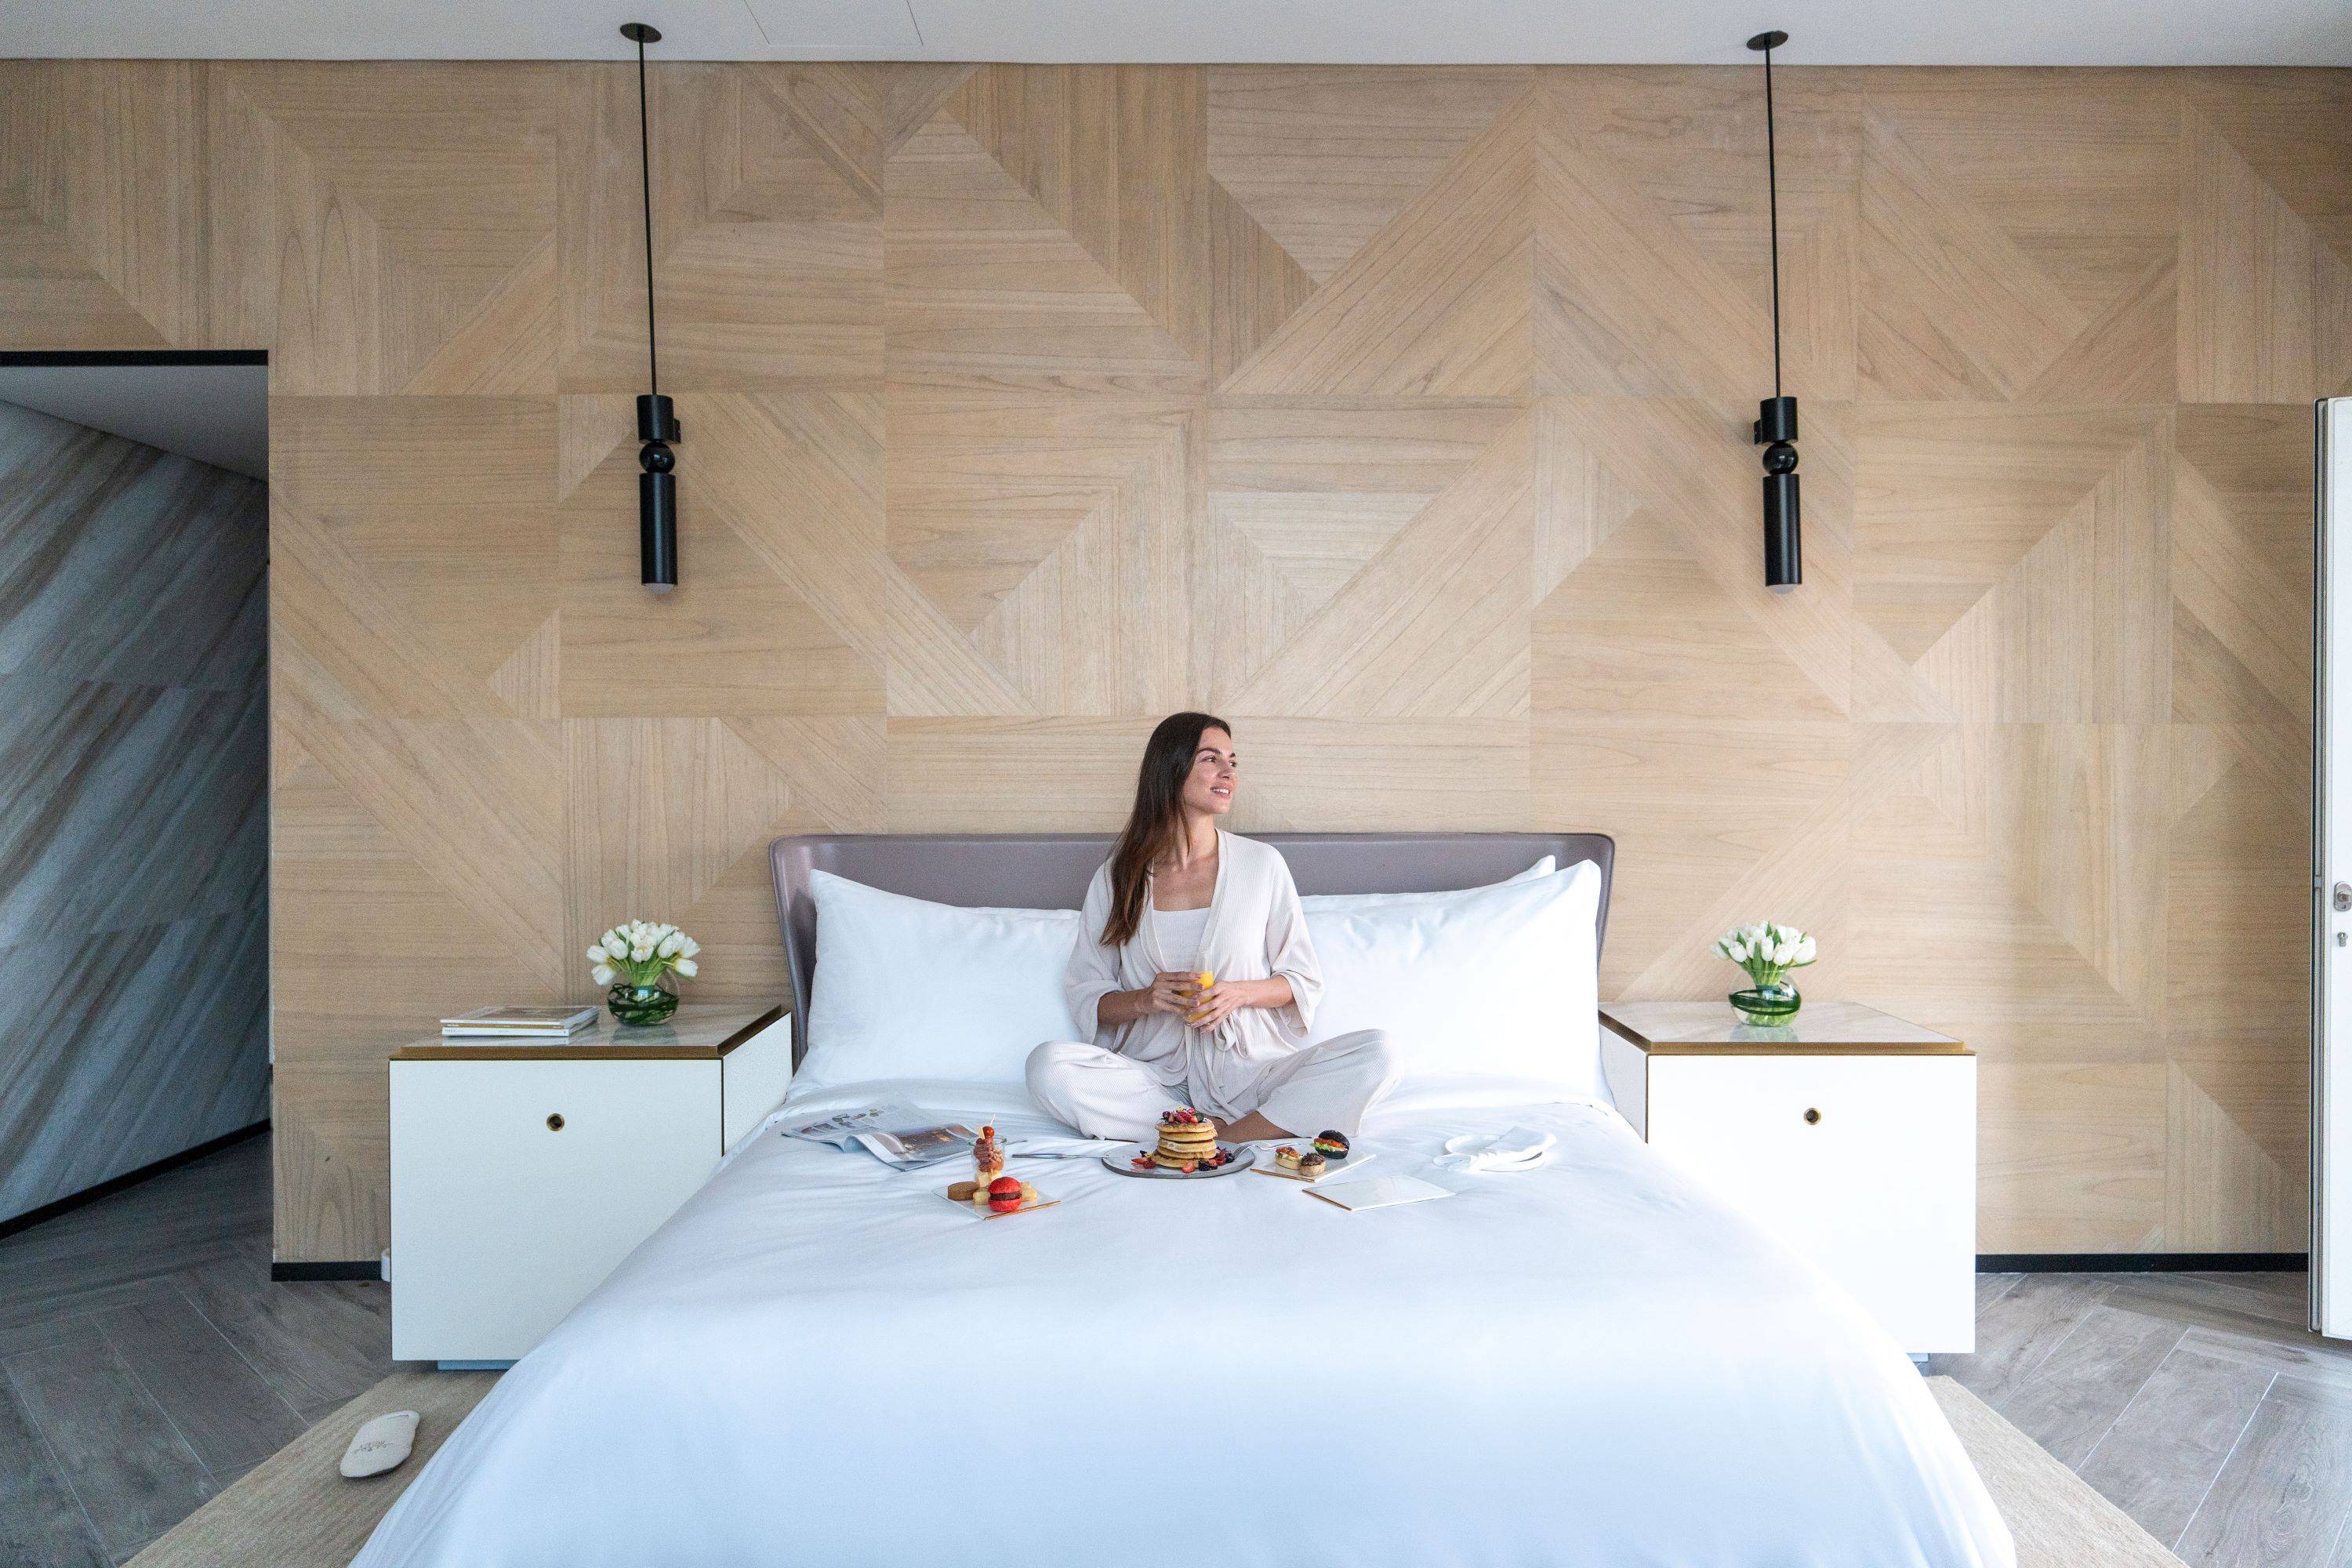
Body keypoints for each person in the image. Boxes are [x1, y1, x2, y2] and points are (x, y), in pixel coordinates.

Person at [1025, 712, 1398, 1144]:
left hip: (1253, 1076)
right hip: (1156, 1083)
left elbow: (1301, 980)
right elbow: (1089, 996)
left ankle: (1222, 1140)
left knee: (1378, 1053)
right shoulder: (1118, 877)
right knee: (1047, 1066)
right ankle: (1224, 1133)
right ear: (1171, 768)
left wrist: (1239, 993)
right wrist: (1148, 998)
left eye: (1232, 761)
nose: (1229, 773)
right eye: (1210, 759)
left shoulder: (1261, 864)